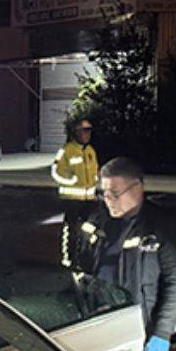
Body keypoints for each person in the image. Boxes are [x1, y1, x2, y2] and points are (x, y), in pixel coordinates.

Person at [67, 157, 176, 351]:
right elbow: (82, 269)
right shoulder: (96, 222)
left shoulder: (162, 226)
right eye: (104, 194)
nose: (109, 200)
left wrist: (161, 333)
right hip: (99, 324)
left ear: (138, 188)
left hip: (141, 328)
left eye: (115, 194)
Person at [53, 115, 100, 269]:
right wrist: (71, 180)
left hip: (89, 199)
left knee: (88, 230)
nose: (87, 133)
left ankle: (85, 259)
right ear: (76, 132)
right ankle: (70, 259)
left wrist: (96, 183)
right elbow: (55, 171)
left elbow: (95, 171)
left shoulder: (91, 151)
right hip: (72, 199)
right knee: (72, 230)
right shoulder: (66, 150)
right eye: (84, 130)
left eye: (89, 130)